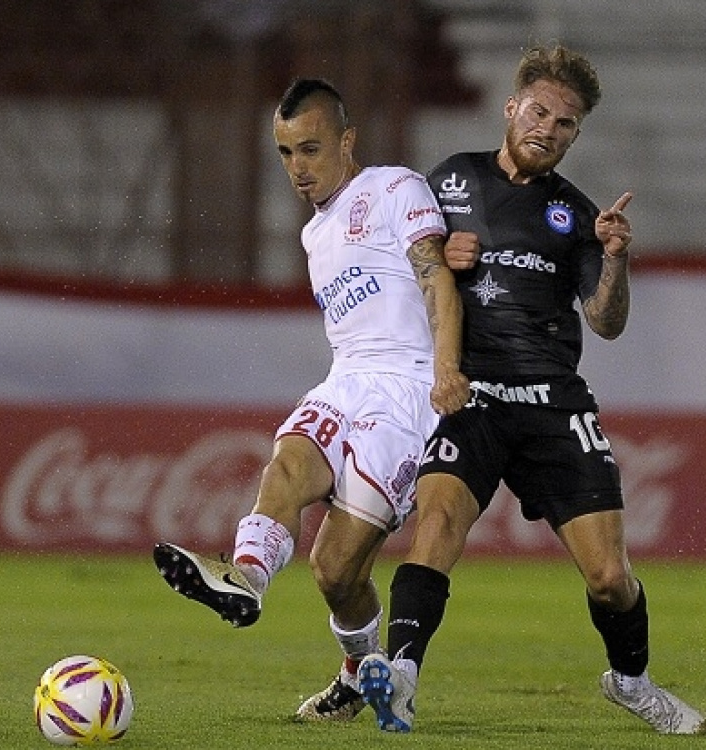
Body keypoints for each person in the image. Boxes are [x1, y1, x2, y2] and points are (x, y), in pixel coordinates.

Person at [356, 45, 706, 735]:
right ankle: (400, 676)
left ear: (576, 135)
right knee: (437, 524)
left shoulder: (576, 214)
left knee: (610, 577)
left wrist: (615, 259)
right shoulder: (450, 180)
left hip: (553, 404)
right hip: (473, 396)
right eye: (539, 112)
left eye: (565, 123)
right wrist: (433, 256)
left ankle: (632, 683)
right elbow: (394, 271)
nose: (548, 129)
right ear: (511, 107)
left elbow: (606, 322)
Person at [153, 78, 469, 722]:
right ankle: (245, 578)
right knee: (288, 463)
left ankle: (357, 674)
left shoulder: (394, 187)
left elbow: (435, 275)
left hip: (407, 394)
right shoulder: (314, 234)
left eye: (311, 149)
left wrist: (445, 371)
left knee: (334, 570)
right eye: (286, 152)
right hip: (344, 381)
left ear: (347, 141)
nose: (298, 167)